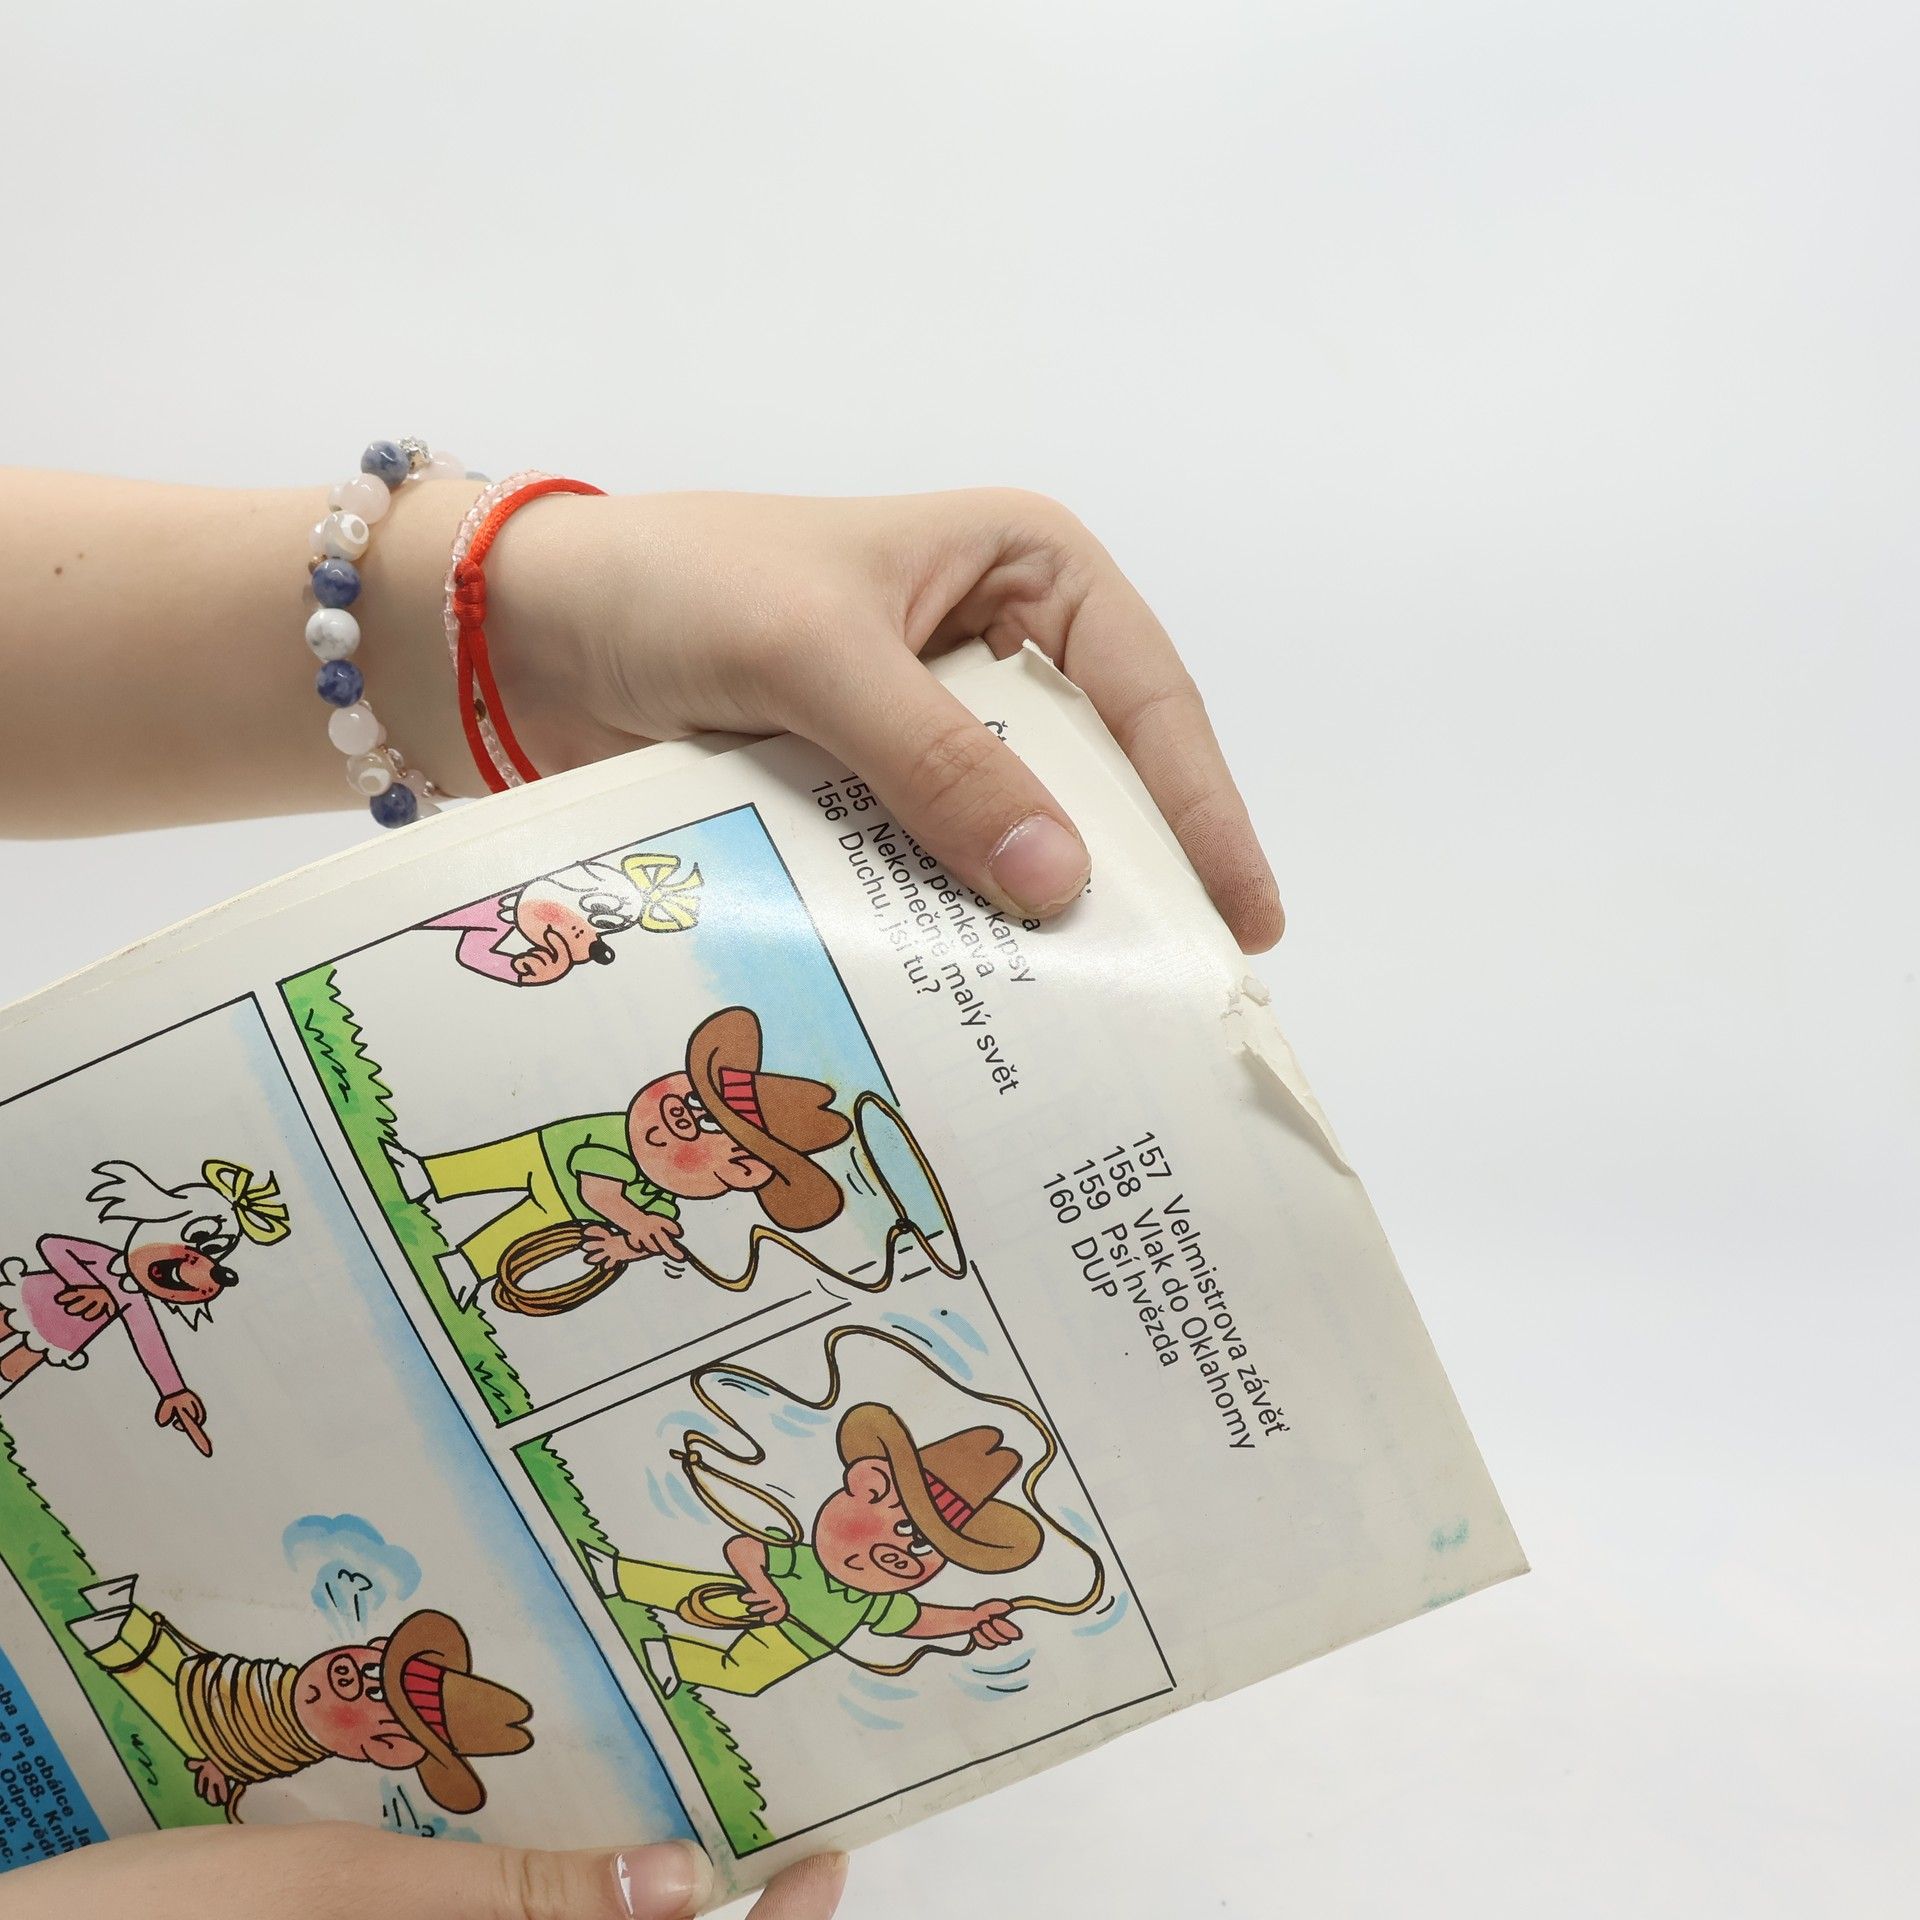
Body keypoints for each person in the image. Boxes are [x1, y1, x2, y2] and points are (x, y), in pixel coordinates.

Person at [0, 468, 1282, 1920]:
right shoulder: (612, 1157)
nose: (882, 1527)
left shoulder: (850, 1580)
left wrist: (517, 611)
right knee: (493, 1195)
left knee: (713, 1613)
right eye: (703, 1108)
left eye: (720, 1139)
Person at [586, 1403, 1039, 1699]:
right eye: (906, 1527)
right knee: (693, 1591)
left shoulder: (875, 1601)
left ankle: (671, 1658)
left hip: (799, 1644)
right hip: (762, 1601)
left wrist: (970, 1618)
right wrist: (763, 1586)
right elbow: (744, 1548)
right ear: (868, 1485)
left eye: (927, 1546)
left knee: (744, 1676)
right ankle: (617, 1575)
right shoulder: (803, 1561)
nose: (904, 1553)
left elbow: (916, 1620)